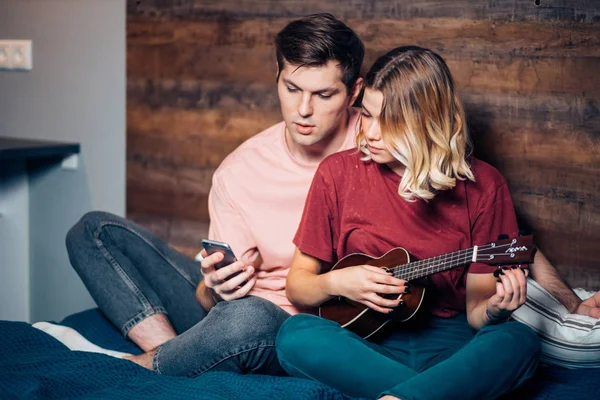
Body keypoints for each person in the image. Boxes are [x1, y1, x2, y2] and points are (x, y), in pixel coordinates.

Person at [55, 13, 364, 377]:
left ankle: (145, 366)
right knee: (92, 232)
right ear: (277, 78)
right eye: (292, 88)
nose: (303, 110)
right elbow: (208, 299)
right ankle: (172, 355)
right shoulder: (241, 170)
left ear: (354, 92)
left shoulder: (377, 143)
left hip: (292, 326)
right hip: (237, 310)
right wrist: (216, 288)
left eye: (324, 94)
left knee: (249, 316)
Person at [275, 46, 541, 400]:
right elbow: (298, 287)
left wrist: (494, 309)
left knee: (519, 341)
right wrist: (341, 281)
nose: (371, 132)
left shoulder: (484, 186)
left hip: (450, 348)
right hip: (364, 344)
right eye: (367, 114)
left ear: (427, 121)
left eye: (390, 121)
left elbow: (477, 314)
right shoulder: (337, 174)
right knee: (294, 334)